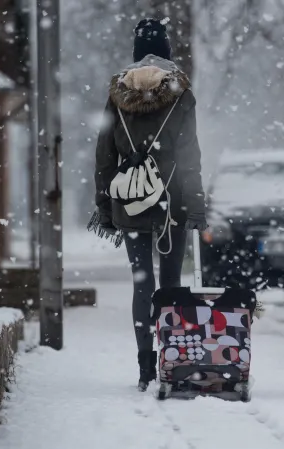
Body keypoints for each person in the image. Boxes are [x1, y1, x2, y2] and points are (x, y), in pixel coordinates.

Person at [88, 18, 207, 392]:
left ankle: (144, 367)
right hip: (172, 199)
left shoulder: (118, 95)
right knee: (171, 283)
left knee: (143, 284)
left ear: (136, 53)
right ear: (168, 52)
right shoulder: (181, 94)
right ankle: (170, 360)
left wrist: (105, 208)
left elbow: (104, 158)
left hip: (131, 201)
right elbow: (190, 156)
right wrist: (196, 205)